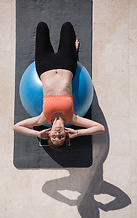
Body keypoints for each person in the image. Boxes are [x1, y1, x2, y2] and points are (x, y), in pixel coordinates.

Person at [13, 22, 105, 151]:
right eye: (61, 137)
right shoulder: (73, 118)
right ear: (66, 134)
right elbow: (100, 128)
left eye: (54, 138)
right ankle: (73, 51)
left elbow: (16, 127)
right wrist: (78, 133)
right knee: (67, 26)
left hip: (44, 65)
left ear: (49, 134)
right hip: (66, 63)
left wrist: (38, 134)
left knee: (41, 26)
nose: (57, 135)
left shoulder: (43, 118)